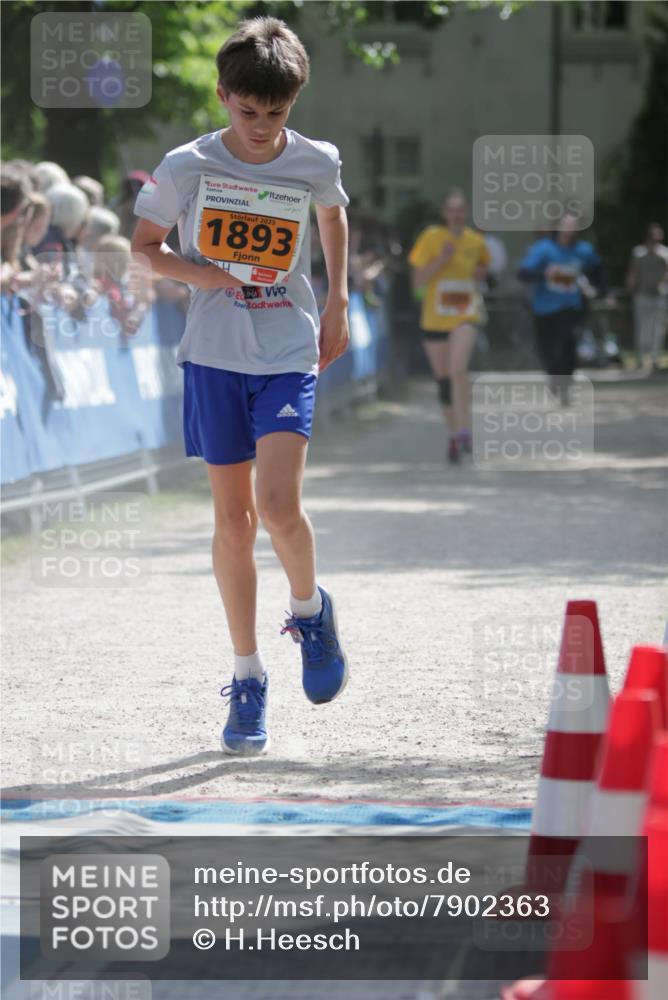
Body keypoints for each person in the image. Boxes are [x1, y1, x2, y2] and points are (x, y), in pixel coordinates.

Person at [132, 16, 350, 756]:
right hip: (216, 355)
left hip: (287, 349)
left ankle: (311, 611)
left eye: (276, 113)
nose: (260, 128)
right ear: (223, 95)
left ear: (295, 101)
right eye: (247, 111)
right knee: (233, 523)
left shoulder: (315, 160)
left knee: (279, 506)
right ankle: (248, 677)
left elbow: (332, 213)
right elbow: (145, 249)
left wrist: (339, 298)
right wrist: (207, 274)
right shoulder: (186, 164)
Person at [408, 188, 490, 463]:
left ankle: (465, 428)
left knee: (458, 369)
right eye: (451, 209)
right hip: (434, 319)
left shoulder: (476, 242)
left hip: (465, 315)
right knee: (443, 380)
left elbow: (482, 271)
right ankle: (453, 434)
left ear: (465, 213)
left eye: (460, 209)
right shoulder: (431, 238)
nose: (456, 214)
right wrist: (441, 259)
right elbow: (417, 280)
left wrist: (480, 274)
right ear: (445, 213)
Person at [518, 212, 609, 405]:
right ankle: (553, 377)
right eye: (565, 225)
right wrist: (543, 274)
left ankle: (566, 388)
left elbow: (597, 269)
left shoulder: (583, 250)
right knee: (547, 350)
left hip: (570, 307)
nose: (569, 230)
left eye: (573, 226)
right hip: (544, 309)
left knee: (569, 347)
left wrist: (601, 291)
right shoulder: (544, 249)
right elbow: (523, 273)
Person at [625, 222, 668, 371]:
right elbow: (633, 273)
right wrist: (630, 287)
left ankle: (655, 358)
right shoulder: (639, 252)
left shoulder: (664, 253)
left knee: (659, 328)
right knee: (642, 327)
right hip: (642, 294)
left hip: (659, 295)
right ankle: (642, 358)